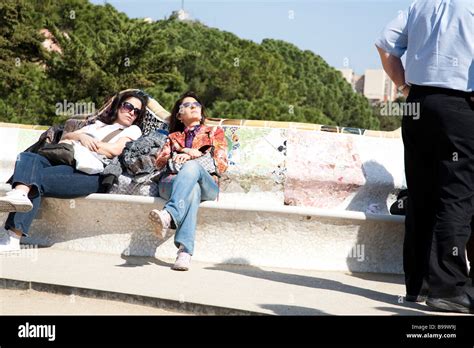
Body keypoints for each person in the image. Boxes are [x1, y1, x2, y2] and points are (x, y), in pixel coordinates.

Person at [376, 0, 473, 313]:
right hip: (460, 106)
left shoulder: (421, 4)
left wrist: (403, 86)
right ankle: (449, 289)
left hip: (417, 106)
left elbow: (384, 43)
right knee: (457, 196)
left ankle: (417, 286)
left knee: (421, 195)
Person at [0, 90, 148, 252]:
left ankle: (13, 237)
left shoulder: (132, 130)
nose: (132, 112)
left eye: (137, 111)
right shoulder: (97, 124)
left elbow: (115, 150)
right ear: (119, 106)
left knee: (36, 180)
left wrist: (87, 141)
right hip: (68, 162)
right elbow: (65, 139)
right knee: (27, 157)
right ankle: (21, 195)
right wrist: (81, 137)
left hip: (92, 175)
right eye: (128, 106)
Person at [150, 91, 228, 271]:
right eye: (186, 105)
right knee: (192, 192)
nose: (192, 107)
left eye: (196, 105)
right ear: (179, 115)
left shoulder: (214, 133)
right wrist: (178, 157)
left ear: (201, 112)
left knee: (192, 168)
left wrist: (195, 155)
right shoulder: (172, 137)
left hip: (208, 184)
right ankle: (184, 252)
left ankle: (169, 215)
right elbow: (159, 164)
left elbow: (222, 164)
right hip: (172, 183)